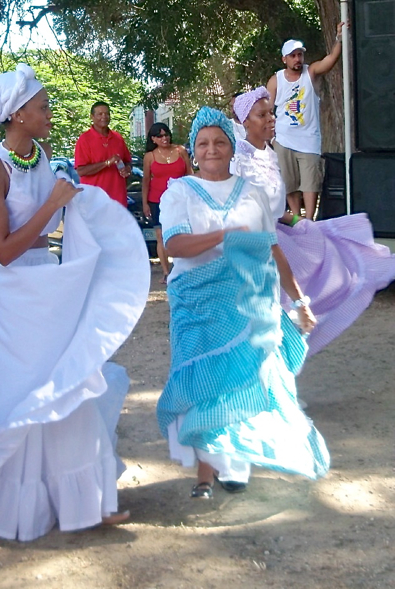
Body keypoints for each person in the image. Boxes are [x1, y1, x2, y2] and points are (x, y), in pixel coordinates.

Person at [0, 64, 150, 541]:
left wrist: (72, 203)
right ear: (17, 114)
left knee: (65, 384)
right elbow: (2, 248)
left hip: (46, 282)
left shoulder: (43, 154)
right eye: (42, 107)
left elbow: (55, 216)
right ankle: (23, 502)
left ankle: (88, 498)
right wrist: (51, 203)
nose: (50, 113)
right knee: (26, 393)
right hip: (10, 291)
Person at [157, 106, 330, 499]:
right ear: (193, 150)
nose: (212, 149)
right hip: (197, 301)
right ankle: (204, 473)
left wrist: (300, 300)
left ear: (230, 147)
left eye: (219, 141)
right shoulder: (179, 192)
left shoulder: (251, 193)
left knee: (242, 378)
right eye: (203, 143)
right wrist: (223, 236)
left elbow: (273, 250)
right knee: (204, 380)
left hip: (248, 299)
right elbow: (174, 244)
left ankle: (233, 462)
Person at [232, 87, 395, 356]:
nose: (270, 118)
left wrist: (297, 219)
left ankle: (277, 382)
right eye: (261, 115)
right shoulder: (238, 160)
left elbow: (273, 206)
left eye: (271, 113)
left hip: (278, 235)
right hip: (256, 246)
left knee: (334, 254)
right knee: (269, 316)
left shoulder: (269, 152)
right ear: (244, 122)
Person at [267, 22, 346, 220]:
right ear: (284, 59)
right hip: (284, 139)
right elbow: (267, 109)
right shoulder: (276, 80)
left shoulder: (310, 72)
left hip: (309, 139)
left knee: (311, 182)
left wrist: (339, 39)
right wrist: (268, 136)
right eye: (293, 55)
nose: (297, 59)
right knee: (289, 182)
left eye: (300, 54)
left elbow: (330, 60)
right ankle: (295, 218)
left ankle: (309, 220)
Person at [141, 122, 192, 283]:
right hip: (157, 200)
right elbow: (146, 181)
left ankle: (184, 268)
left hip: (181, 198)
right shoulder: (150, 157)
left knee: (184, 233)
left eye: (166, 134)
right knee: (160, 235)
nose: (164, 138)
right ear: (153, 139)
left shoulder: (180, 151)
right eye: (160, 135)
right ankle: (166, 272)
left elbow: (190, 172)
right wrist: (145, 203)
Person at [74, 101, 132, 206]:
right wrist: (107, 163)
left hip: (118, 201)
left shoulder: (118, 138)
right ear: (92, 117)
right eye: (100, 114)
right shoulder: (84, 139)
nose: (104, 116)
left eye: (107, 113)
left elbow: (128, 162)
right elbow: (81, 171)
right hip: (94, 202)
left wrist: (127, 169)